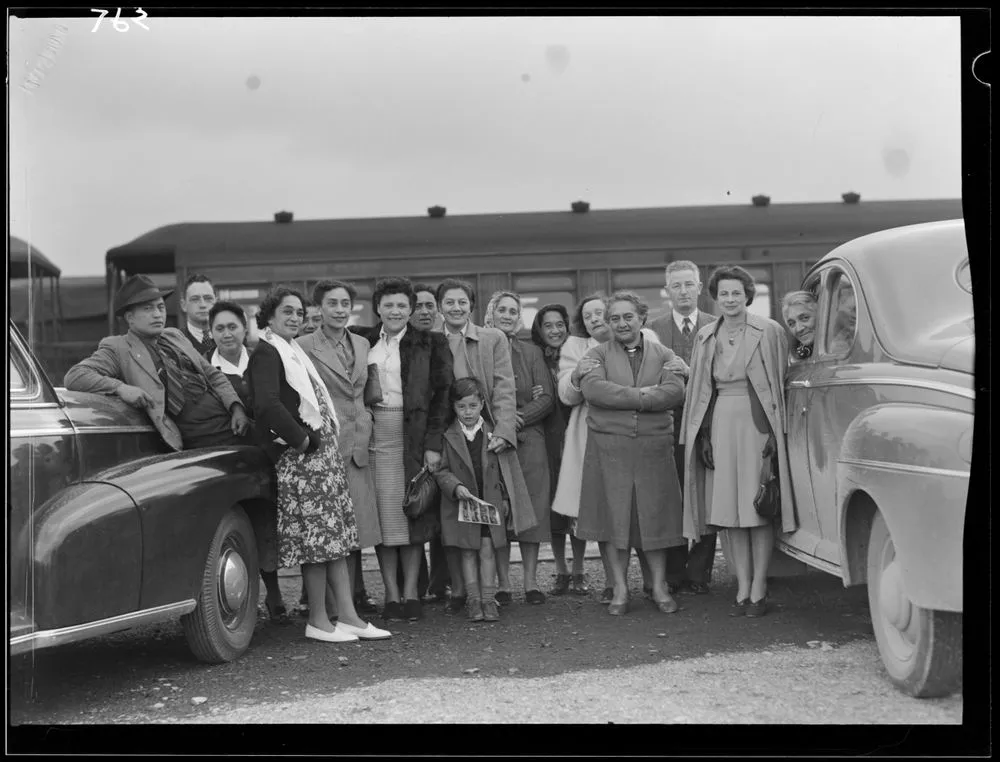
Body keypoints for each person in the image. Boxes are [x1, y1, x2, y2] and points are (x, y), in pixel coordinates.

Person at [247, 286, 390, 643]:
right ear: (269, 316)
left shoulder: (291, 348)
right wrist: (302, 439)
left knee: (335, 539)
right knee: (318, 541)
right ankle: (319, 620)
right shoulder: (267, 351)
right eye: (287, 312)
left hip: (322, 456)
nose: (295, 318)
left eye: (299, 312)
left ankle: (350, 617)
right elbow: (265, 404)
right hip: (303, 458)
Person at [680, 265, 797, 619]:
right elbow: (701, 391)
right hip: (719, 424)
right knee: (729, 513)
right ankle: (742, 586)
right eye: (723, 294)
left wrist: (777, 436)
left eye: (736, 293)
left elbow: (780, 384)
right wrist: (702, 435)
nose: (730, 300)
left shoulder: (769, 330)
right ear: (714, 298)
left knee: (757, 509)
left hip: (757, 424)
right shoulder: (705, 335)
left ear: (748, 295)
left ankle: (759, 587)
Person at [575, 292, 686, 616]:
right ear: (608, 323)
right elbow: (594, 389)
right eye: (615, 318)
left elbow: (674, 392)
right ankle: (620, 589)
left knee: (653, 517)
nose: (621, 323)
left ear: (641, 319)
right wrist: (644, 395)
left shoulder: (664, 353)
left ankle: (659, 586)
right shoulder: (596, 354)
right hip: (610, 448)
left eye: (628, 317)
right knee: (613, 519)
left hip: (653, 448)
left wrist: (626, 397)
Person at [352, 277, 454, 622]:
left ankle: (412, 593)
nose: (395, 311)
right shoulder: (361, 341)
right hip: (374, 434)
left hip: (413, 436)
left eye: (402, 306)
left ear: (411, 310)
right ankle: (391, 596)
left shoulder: (431, 342)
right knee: (383, 521)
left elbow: (443, 396)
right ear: (377, 308)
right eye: (388, 305)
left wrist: (433, 444)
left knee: (413, 515)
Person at [551, 294, 661, 601]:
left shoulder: (647, 338)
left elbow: (665, 377)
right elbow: (570, 395)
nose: (595, 319)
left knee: (640, 507)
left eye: (600, 312)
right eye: (588, 317)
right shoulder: (576, 347)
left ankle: (653, 580)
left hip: (640, 431)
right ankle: (616, 583)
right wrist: (575, 376)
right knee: (607, 510)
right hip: (593, 432)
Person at [65, 274, 250, 452]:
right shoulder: (118, 348)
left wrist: (236, 407)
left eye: (160, 307)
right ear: (130, 318)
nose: (157, 314)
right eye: (148, 309)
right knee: (268, 443)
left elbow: (213, 374)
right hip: (197, 430)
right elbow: (76, 375)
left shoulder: (174, 336)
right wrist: (121, 388)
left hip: (224, 413)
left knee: (269, 430)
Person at [297, 280, 383, 616]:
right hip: (325, 445)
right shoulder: (303, 345)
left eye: (345, 303)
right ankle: (330, 609)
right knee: (328, 530)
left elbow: (363, 391)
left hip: (358, 443)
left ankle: (351, 604)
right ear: (319, 308)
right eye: (332, 303)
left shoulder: (362, 343)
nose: (340, 309)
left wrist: (368, 420)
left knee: (356, 528)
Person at [435, 278, 521, 609]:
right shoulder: (433, 341)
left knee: (486, 517)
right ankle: (462, 591)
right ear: (441, 306)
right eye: (449, 302)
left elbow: (503, 387)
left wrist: (503, 430)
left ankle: (486, 593)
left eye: (462, 302)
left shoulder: (492, 338)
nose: (456, 308)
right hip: (449, 437)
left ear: (472, 305)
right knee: (453, 517)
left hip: (484, 434)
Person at [207, 299, 288, 624]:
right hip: (229, 462)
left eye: (232, 327)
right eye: (220, 328)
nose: (227, 334)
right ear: (211, 333)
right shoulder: (205, 368)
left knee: (268, 525)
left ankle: (276, 595)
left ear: (244, 328)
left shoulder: (261, 360)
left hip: (265, 458)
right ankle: (241, 598)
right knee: (238, 528)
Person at [435, 378, 535, 622]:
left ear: (482, 404)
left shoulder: (494, 433)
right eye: (461, 407)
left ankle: (489, 600)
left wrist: (504, 498)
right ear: (453, 407)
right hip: (464, 505)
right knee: (468, 552)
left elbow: (503, 471)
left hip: (488, 505)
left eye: (472, 405)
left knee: (488, 550)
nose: (467, 412)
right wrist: (455, 486)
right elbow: (442, 470)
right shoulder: (448, 436)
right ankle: (473, 600)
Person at [649, 261, 718, 596]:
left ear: (700, 287)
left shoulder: (717, 326)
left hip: (708, 425)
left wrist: (692, 372)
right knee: (672, 497)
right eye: (676, 286)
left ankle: (700, 571)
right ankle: (675, 571)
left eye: (689, 284)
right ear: (667, 290)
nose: (683, 291)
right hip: (666, 426)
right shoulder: (652, 328)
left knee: (706, 496)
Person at [484, 291, 554, 605]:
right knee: (499, 511)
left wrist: (513, 421)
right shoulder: (482, 346)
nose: (509, 315)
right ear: (490, 314)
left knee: (533, 510)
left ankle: (530, 582)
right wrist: (502, 427)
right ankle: (502, 584)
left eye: (514, 311)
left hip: (530, 443)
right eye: (502, 310)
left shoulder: (532, 352)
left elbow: (546, 399)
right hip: (494, 443)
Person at [530, 304, 588, 596]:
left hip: (575, 434)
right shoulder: (534, 357)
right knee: (554, 506)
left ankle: (579, 569)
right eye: (548, 325)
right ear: (539, 330)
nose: (555, 330)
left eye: (559, 324)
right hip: (547, 439)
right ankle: (561, 569)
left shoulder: (578, 351)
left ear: (568, 326)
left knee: (575, 504)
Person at [410, 283, 447, 602]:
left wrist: (433, 443)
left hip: (435, 437)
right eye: (418, 305)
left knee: (438, 510)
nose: (424, 311)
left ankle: (439, 582)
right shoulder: (386, 342)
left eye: (429, 306)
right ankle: (415, 586)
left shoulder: (438, 342)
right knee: (411, 509)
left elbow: (443, 396)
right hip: (400, 439)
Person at [180, 274, 217, 355]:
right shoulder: (175, 343)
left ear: (216, 302)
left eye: (208, 298)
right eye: (195, 299)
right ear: (183, 305)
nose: (203, 305)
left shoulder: (230, 339)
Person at [781, 290, 819, 360]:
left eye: (805, 318)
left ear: (820, 316)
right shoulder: (791, 360)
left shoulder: (840, 348)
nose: (799, 329)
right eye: (792, 324)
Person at [828, 282, 857, 355]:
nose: (855, 316)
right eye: (853, 310)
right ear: (838, 307)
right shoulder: (839, 343)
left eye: (859, 311)